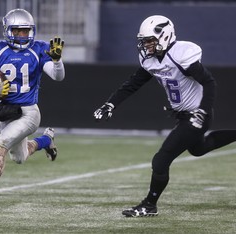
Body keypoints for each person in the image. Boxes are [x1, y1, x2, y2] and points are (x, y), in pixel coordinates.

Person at [94, 15, 236, 217]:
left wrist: (202, 110)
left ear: (165, 35)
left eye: (150, 41)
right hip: (184, 115)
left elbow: (210, 82)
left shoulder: (182, 55)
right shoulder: (150, 60)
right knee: (199, 149)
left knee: (161, 160)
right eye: (144, 42)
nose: (147, 46)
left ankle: (149, 205)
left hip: (197, 115)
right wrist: (110, 104)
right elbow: (133, 83)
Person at [0, 8, 65, 213]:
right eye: (18, 31)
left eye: (26, 31)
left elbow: (58, 77)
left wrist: (57, 61)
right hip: (8, 111)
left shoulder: (38, 49)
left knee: (0, 143)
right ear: (8, 30)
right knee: (20, 157)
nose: (23, 35)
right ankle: (46, 140)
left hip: (29, 113)